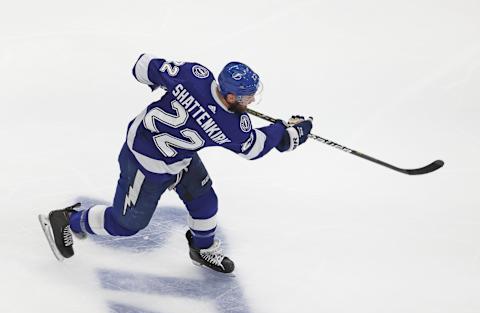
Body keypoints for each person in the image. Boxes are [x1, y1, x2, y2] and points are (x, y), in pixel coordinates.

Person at [39, 54, 313, 274]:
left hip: (177, 155)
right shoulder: (232, 126)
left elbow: (142, 66)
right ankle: (68, 220)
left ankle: (201, 249)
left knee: (205, 202)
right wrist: (289, 133)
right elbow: (254, 147)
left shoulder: (196, 74)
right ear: (230, 97)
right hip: (145, 162)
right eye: (246, 97)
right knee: (126, 224)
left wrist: (170, 85)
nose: (251, 100)